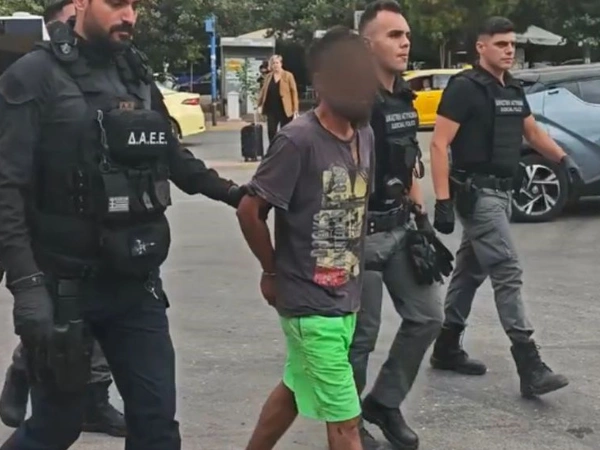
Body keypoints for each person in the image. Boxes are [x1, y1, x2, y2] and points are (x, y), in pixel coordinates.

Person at [0, 0, 245, 447]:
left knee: (157, 427)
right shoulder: (33, 75)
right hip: (63, 289)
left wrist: (235, 194)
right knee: (56, 427)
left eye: (134, 5)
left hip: (135, 284)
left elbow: (172, 156)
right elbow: (7, 188)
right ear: (80, 4)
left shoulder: (135, 72)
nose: (129, 15)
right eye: (116, 4)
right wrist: (27, 286)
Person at [236, 26, 379, 450]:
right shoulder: (297, 140)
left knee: (294, 389)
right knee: (346, 420)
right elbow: (250, 210)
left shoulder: (365, 134)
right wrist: (271, 271)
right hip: (309, 303)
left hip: (345, 298)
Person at [429, 16, 581, 398]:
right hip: (477, 196)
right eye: (501, 44)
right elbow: (438, 143)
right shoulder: (464, 87)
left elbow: (532, 132)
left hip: (502, 194)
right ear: (481, 47)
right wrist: (443, 200)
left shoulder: (511, 88)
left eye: (512, 44)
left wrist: (563, 159)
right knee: (507, 269)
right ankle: (530, 365)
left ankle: (446, 346)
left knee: (470, 271)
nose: (509, 50)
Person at [0, 0, 126, 437]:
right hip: (42, 224)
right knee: (56, 322)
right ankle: (27, 372)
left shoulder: (110, 60)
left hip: (99, 228)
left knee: (92, 322)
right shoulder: (37, 65)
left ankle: (91, 399)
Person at [349, 2, 444, 449]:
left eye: (406, 35)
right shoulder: (352, 101)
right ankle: (347, 423)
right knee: (360, 338)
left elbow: (409, 163)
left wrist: (422, 220)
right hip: (359, 235)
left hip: (401, 226)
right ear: (367, 44)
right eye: (394, 35)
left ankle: (384, 402)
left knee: (427, 317)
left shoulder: (402, 96)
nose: (405, 43)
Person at [256, 54, 299, 143]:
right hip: (271, 109)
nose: (275, 65)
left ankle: (283, 149)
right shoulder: (268, 76)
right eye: (273, 63)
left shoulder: (288, 75)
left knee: (285, 133)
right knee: (271, 131)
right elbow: (263, 91)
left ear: (281, 64)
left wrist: (295, 109)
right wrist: (259, 104)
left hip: (285, 109)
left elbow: (294, 92)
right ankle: (273, 148)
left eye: (277, 63)